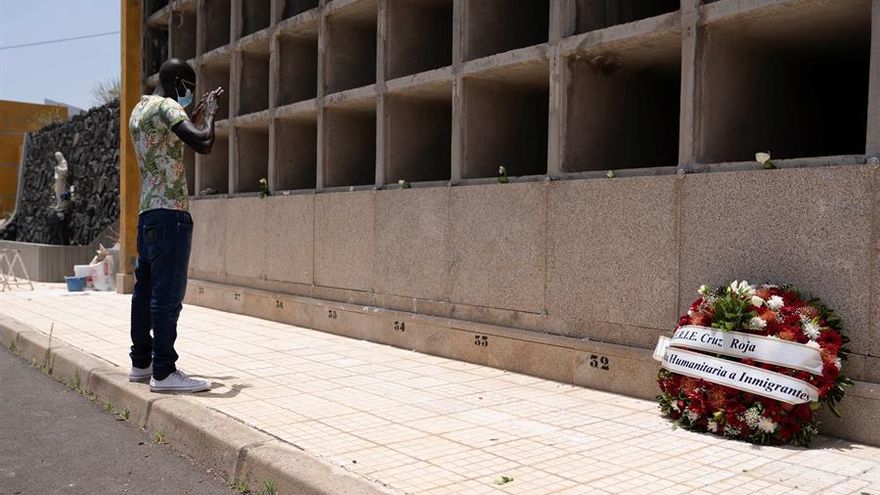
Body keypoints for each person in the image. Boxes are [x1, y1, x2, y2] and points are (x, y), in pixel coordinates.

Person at [127, 58, 223, 392]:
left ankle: (142, 363)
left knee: (144, 293)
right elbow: (204, 143)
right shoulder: (168, 106)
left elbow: (166, 145)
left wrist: (191, 117)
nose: (191, 94)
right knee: (167, 296)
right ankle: (165, 371)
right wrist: (210, 114)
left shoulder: (140, 110)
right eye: (190, 87)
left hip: (147, 214)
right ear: (179, 82)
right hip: (172, 214)